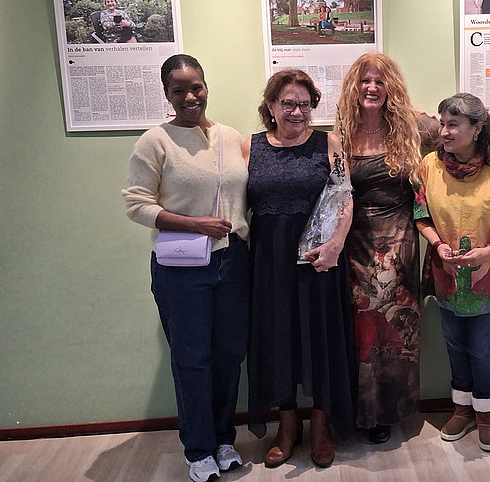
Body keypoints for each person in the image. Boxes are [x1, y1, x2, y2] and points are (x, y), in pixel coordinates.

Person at [123, 54, 249, 482]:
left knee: (229, 356)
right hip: (182, 267)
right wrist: (195, 224)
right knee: (192, 359)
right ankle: (198, 449)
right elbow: (137, 204)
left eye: (196, 87)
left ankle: (224, 439)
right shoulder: (154, 141)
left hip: (233, 261)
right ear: (167, 94)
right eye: (179, 90)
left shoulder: (230, 137)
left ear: (206, 86)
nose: (190, 96)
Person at [245, 69, 356, 469]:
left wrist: (335, 246)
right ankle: (287, 426)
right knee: (279, 340)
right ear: (271, 105)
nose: (297, 112)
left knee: (321, 338)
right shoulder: (250, 147)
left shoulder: (330, 144)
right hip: (269, 263)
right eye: (288, 103)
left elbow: (345, 199)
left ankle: (322, 427)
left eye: (305, 105)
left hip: (319, 261)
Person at [414, 93, 490, 452]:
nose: (444, 132)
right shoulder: (429, 165)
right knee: (454, 344)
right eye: (443, 123)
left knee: (483, 348)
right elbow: (420, 215)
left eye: (454, 124)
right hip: (446, 272)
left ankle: (487, 414)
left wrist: (489, 250)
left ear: (477, 129)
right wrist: (437, 245)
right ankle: (461, 409)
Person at [337, 52, 427, 444]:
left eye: (379, 81)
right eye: (365, 80)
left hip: (400, 244)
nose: (371, 87)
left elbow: (467, 132)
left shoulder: (412, 127)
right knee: (363, 330)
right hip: (355, 244)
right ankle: (362, 411)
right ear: (354, 87)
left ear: (391, 87)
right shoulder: (341, 134)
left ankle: (389, 412)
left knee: (397, 329)